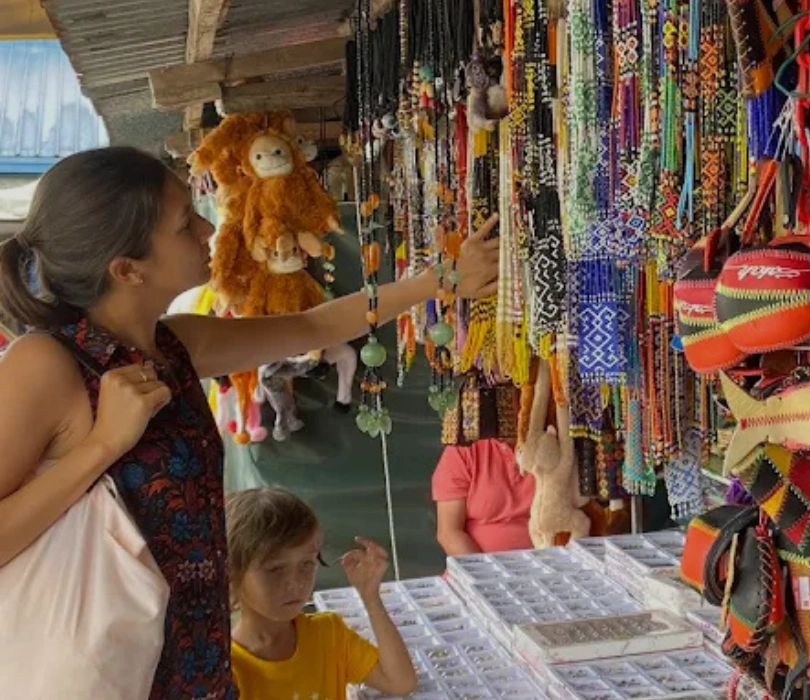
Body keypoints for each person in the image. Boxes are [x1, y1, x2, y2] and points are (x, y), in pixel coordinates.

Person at [0, 147, 498, 699]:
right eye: (183, 223)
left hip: (197, 666)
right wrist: (103, 445)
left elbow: (312, 325)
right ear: (127, 269)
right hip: (106, 673)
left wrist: (444, 279)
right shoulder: (46, 364)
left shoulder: (175, 345)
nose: (208, 227)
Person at [225, 488, 416, 700]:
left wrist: (370, 596)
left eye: (307, 564)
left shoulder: (329, 634)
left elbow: (400, 682)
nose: (296, 582)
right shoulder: (225, 670)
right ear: (231, 573)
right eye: (275, 569)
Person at [432, 439, 536, 555]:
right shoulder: (463, 450)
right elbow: (449, 533)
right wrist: (483, 569)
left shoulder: (551, 446)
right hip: (478, 566)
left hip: (547, 562)